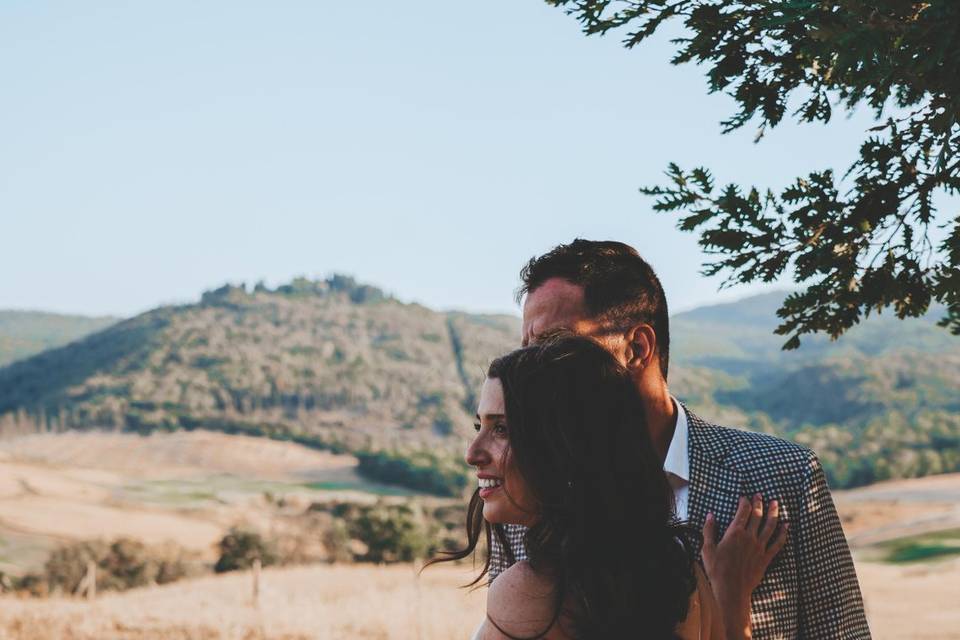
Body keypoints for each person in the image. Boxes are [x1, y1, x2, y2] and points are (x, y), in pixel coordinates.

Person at [490, 239, 870, 639]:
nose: (530, 371)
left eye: (554, 346)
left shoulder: (783, 476)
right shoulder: (527, 496)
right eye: (526, 350)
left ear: (637, 348)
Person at [431, 335, 786, 639]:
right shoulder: (684, 580)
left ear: (564, 447)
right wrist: (731, 601)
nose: (472, 453)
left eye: (502, 429)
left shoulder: (532, 592)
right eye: (480, 426)